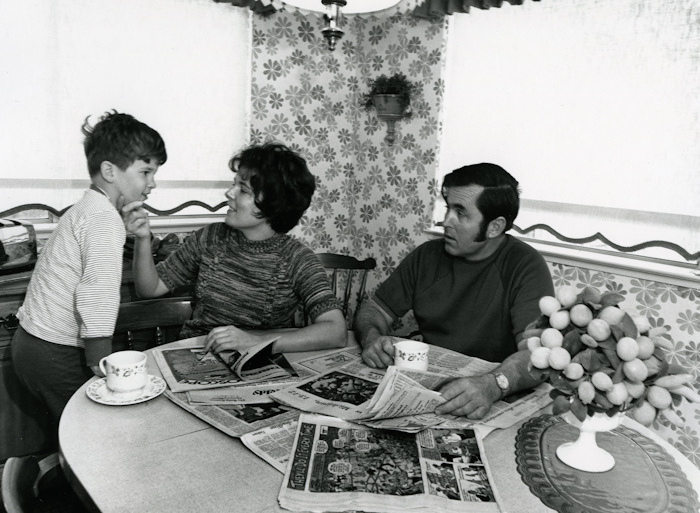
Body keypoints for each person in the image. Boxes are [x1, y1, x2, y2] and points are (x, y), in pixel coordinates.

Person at [12, 111, 167, 445]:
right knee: (89, 437)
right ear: (110, 170)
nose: (152, 182)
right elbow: (97, 290)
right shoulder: (103, 220)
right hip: (53, 350)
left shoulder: (88, 209)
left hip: (34, 344)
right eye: (146, 172)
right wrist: (98, 354)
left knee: (70, 431)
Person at [354, 162, 554, 419]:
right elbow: (374, 310)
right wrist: (371, 338)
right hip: (434, 393)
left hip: (492, 397)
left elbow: (536, 354)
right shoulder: (426, 255)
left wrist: (494, 384)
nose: (446, 221)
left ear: (494, 226)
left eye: (460, 213)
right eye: (448, 208)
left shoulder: (526, 265)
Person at [122, 142, 346, 355]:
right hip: (199, 356)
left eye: (244, 190)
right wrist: (142, 239)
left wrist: (257, 342)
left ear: (273, 204)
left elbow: (335, 331)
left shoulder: (297, 259)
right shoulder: (209, 238)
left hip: (258, 367)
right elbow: (149, 289)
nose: (229, 193)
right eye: (234, 184)